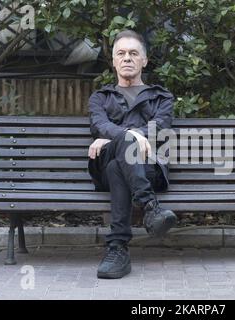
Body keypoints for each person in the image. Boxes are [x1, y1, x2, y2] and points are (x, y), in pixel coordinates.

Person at [88, 30, 177, 279]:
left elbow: (160, 126)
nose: (127, 58)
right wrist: (133, 136)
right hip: (103, 168)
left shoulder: (161, 97)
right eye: (121, 53)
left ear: (144, 61)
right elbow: (98, 125)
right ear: (114, 61)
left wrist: (122, 136)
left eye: (133, 53)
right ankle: (151, 208)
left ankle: (117, 249)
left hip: (148, 167)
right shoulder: (100, 97)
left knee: (119, 166)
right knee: (119, 158)